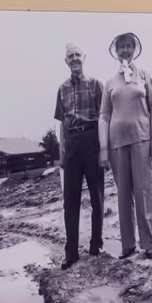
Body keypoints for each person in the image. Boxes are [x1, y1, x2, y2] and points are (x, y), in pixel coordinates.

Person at [100, 31, 152, 259]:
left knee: (144, 192)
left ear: (134, 49)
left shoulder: (144, 76)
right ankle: (128, 245)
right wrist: (104, 149)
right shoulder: (110, 83)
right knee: (123, 195)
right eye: (121, 47)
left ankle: (149, 243)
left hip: (142, 139)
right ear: (115, 52)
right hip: (117, 145)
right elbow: (104, 116)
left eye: (129, 46)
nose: (125, 50)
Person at [52, 42, 105, 267]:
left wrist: (104, 149)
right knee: (70, 201)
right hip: (72, 143)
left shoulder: (96, 85)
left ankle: (96, 244)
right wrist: (61, 152)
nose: (74, 59)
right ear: (66, 61)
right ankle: (71, 252)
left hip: (92, 140)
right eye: (70, 56)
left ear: (84, 58)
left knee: (97, 196)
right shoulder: (61, 89)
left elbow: (104, 119)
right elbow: (62, 124)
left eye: (78, 55)